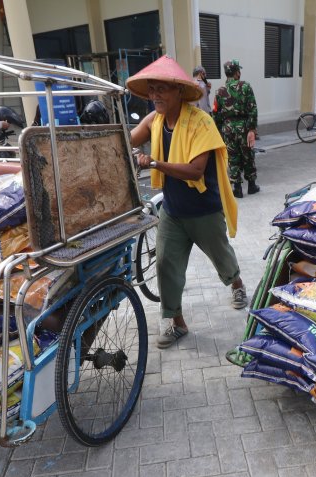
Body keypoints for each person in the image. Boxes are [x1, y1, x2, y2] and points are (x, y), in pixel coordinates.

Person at [127, 55, 248, 349]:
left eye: (163, 89)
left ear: (179, 91)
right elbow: (128, 140)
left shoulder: (201, 122)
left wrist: (154, 163)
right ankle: (176, 322)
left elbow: (195, 169)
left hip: (204, 210)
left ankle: (237, 285)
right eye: (152, 89)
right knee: (166, 265)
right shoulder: (154, 121)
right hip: (173, 211)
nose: (156, 94)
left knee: (222, 257)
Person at [213, 59, 259, 198]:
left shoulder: (219, 91)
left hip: (228, 128)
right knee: (248, 155)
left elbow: (216, 113)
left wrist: (220, 130)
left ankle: (237, 188)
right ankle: (251, 185)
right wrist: (252, 129)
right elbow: (253, 109)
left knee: (232, 157)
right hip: (244, 126)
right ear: (237, 72)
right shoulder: (246, 87)